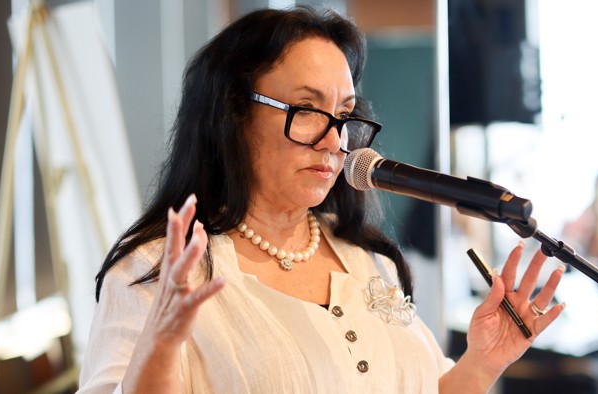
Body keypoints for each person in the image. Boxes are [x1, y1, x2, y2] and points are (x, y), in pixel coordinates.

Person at [76, 6, 566, 393]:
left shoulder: (364, 259)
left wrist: (483, 363)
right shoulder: (157, 270)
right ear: (233, 115)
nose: (335, 142)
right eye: (308, 110)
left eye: (345, 114)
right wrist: (158, 347)